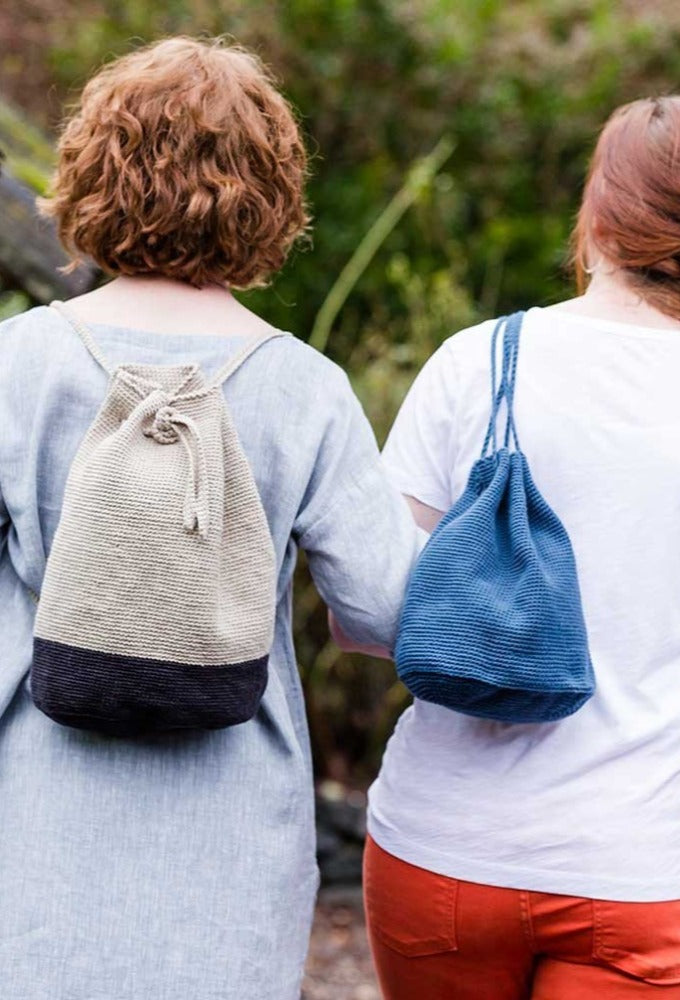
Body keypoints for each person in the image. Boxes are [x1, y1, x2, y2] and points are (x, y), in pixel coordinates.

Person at [0, 37, 419, 999]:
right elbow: (389, 611)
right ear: (266, 194)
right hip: (228, 849)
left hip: (34, 836)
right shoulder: (305, 389)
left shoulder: (16, 364)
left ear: (90, 173)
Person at [356, 96, 680, 998]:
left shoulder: (476, 360)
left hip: (442, 852)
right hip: (644, 864)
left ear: (595, 216)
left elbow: (366, 612)